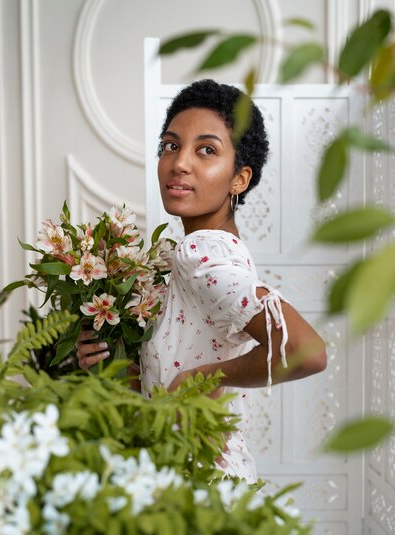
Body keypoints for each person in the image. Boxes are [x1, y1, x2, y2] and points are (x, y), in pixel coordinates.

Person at [77, 79, 327, 482]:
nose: (179, 162)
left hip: (203, 490)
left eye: (206, 150)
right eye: (171, 145)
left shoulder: (201, 255)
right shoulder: (198, 255)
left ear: (239, 179)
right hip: (182, 481)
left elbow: (306, 351)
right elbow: (156, 399)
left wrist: (203, 376)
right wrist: (107, 365)